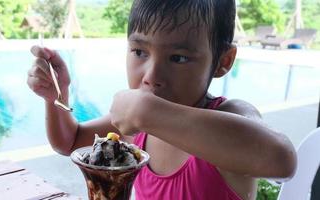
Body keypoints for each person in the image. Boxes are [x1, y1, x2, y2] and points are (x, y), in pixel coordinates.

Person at [27, 0, 297, 199]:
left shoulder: (231, 116)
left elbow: (281, 159)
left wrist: (146, 112)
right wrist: (56, 98)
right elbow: (70, 141)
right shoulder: (137, 125)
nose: (152, 76)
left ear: (222, 62)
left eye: (178, 58)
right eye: (139, 51)